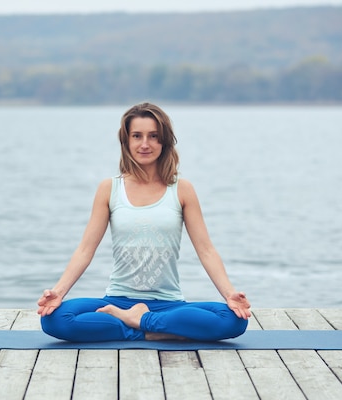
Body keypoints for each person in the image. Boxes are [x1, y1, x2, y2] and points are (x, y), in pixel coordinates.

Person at [37, 102, 250, 342]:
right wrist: (58, 292)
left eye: (153, 136)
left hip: (168, 304)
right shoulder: (110, 189)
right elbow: (86, 249)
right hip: (117, 300)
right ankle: (154, 330)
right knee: (54, 319)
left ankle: (138, 322)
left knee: (234, 319)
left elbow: (206, 250)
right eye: (137, 136)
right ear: (126, 141)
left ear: (164, 142)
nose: (145, 144)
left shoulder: (182, 189)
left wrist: (230, 294)